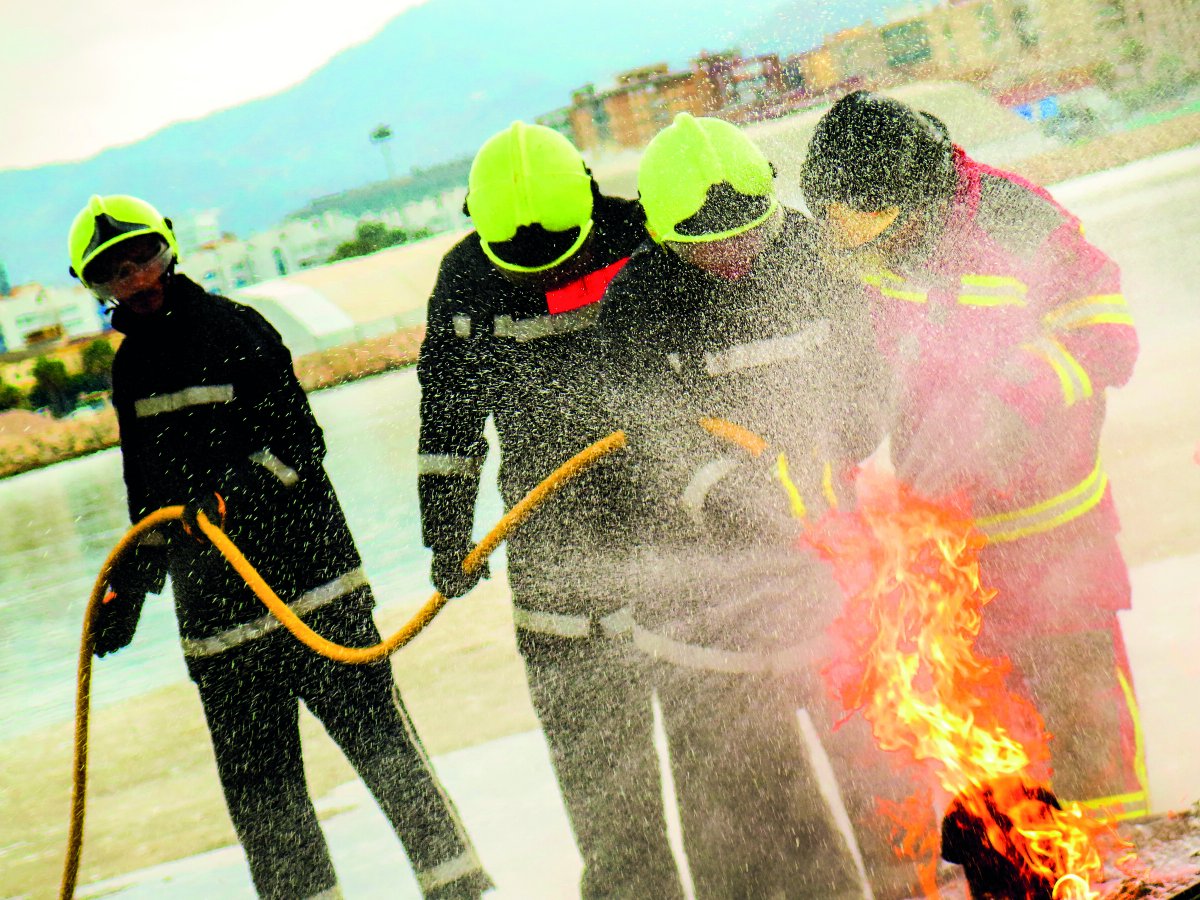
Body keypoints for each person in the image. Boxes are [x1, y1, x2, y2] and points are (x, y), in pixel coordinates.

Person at [68, 194, 492, 900]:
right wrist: (127, 592)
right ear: (98, 286)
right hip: (221, 634)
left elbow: (302, 444)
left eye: (140, 262)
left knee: (393, 763)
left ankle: (460, 891)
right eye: (114, 274)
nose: (135, 282)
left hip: (316, 598)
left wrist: (231, 495)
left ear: (166, 254)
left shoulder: (236, 330)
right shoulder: (130, 371)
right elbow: (146, 501)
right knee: (268, 814)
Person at [800, 91, 1146, 823]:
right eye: (846, 230)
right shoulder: (859, 255)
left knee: (1087, 722)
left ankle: (1123, 864)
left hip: (1058, 533)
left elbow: (1108, 335)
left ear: (913, 192)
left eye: (876, 225)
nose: (866, 246)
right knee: (1004, 739)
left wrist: (1009, 401)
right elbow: (860, 382)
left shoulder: (1018, 220)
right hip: (954, 545)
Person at [596, 112, 887, 899]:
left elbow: (867, 382)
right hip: (709, 614)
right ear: (660, 234)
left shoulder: (813, 258)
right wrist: (726, 493)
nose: (733, 256)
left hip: (831, 578)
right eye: (707, 246)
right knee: (757, 826)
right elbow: (645, 438)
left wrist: (841, 447)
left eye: (748, 235)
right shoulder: (636, 304)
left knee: (886, 779)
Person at [416, 122, 682, 899]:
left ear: (591, 194)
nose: (544, 265)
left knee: (727, 770)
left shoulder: (642, 234)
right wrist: (445, 532)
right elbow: (448, 424)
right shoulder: (465, 281)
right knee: (607, 801)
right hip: (554, 568)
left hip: (679, 530)